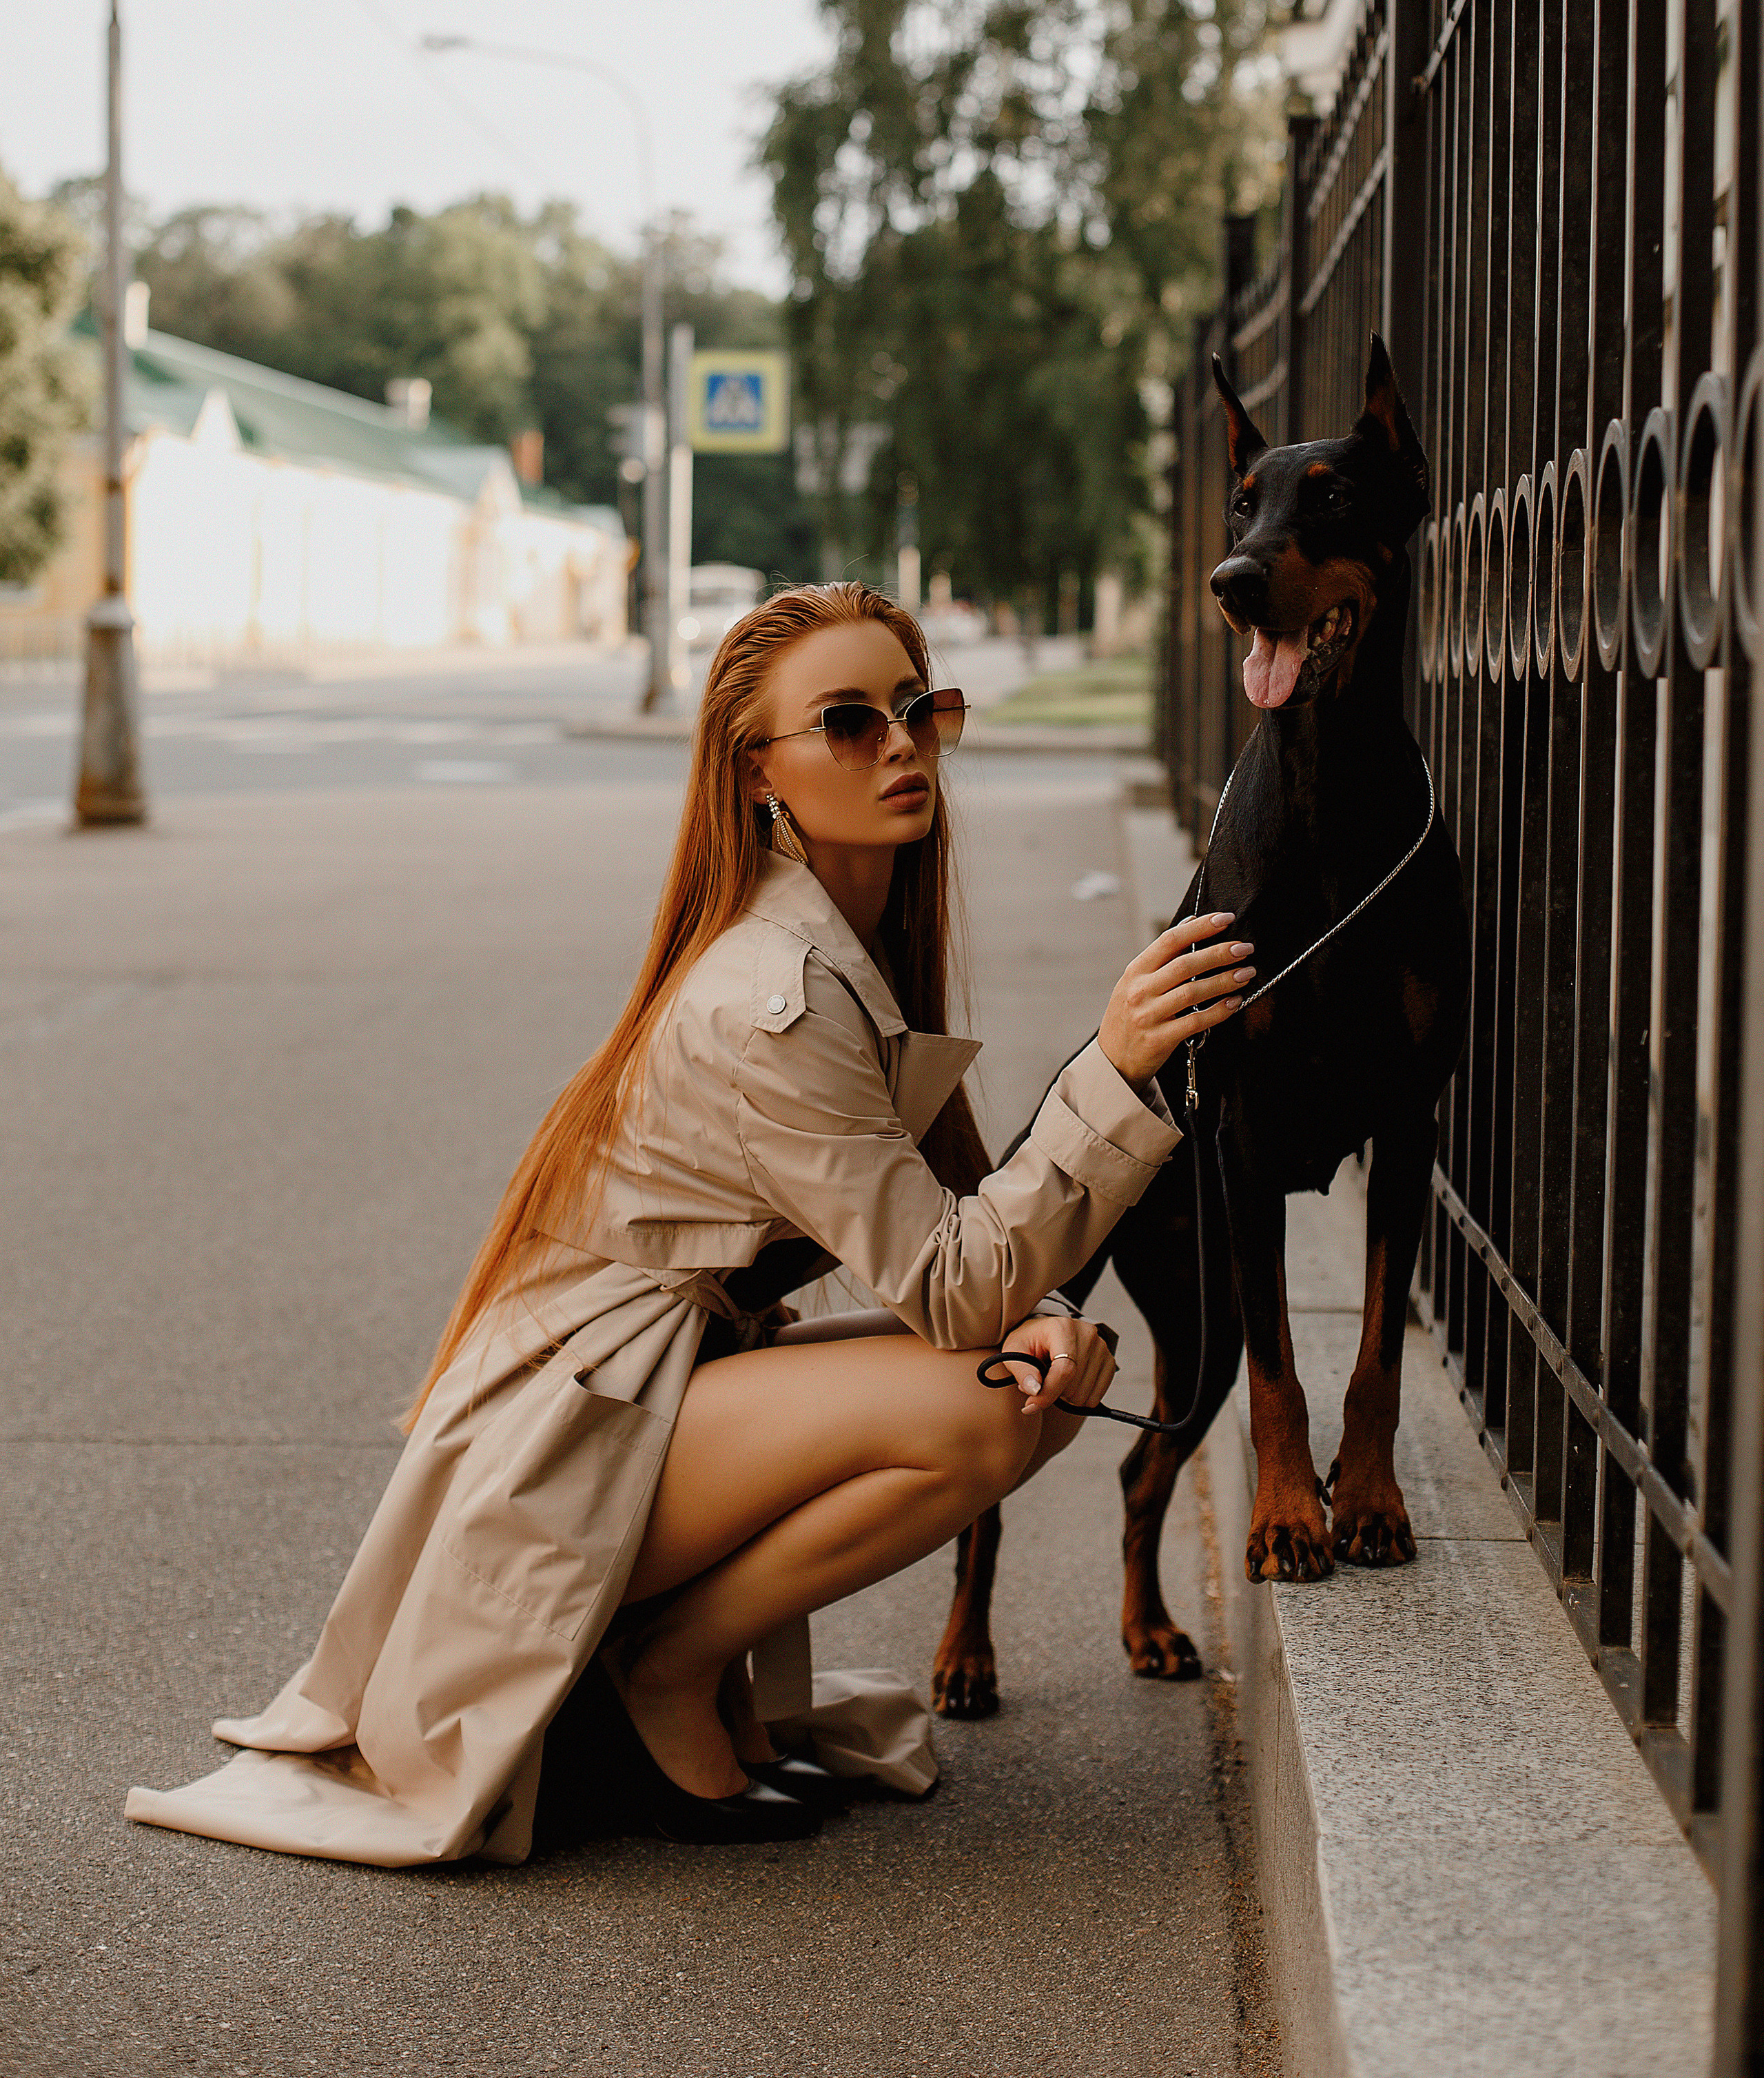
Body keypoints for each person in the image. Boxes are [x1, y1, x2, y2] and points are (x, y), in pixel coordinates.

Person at [126, 582, 1253, 1864]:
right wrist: (1110, 1069)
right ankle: (668, 1664)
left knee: (1037, 1382)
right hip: (574, 1435)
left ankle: (669, 1656)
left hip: (654, 1385)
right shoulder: (776, 996)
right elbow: (949, 1284)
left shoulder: (848, 941)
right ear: (757, 770)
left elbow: (947, 1221)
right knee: (991, 1406)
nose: (899, 745)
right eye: (847, 721)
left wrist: (1043, 1310)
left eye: (918, 709)